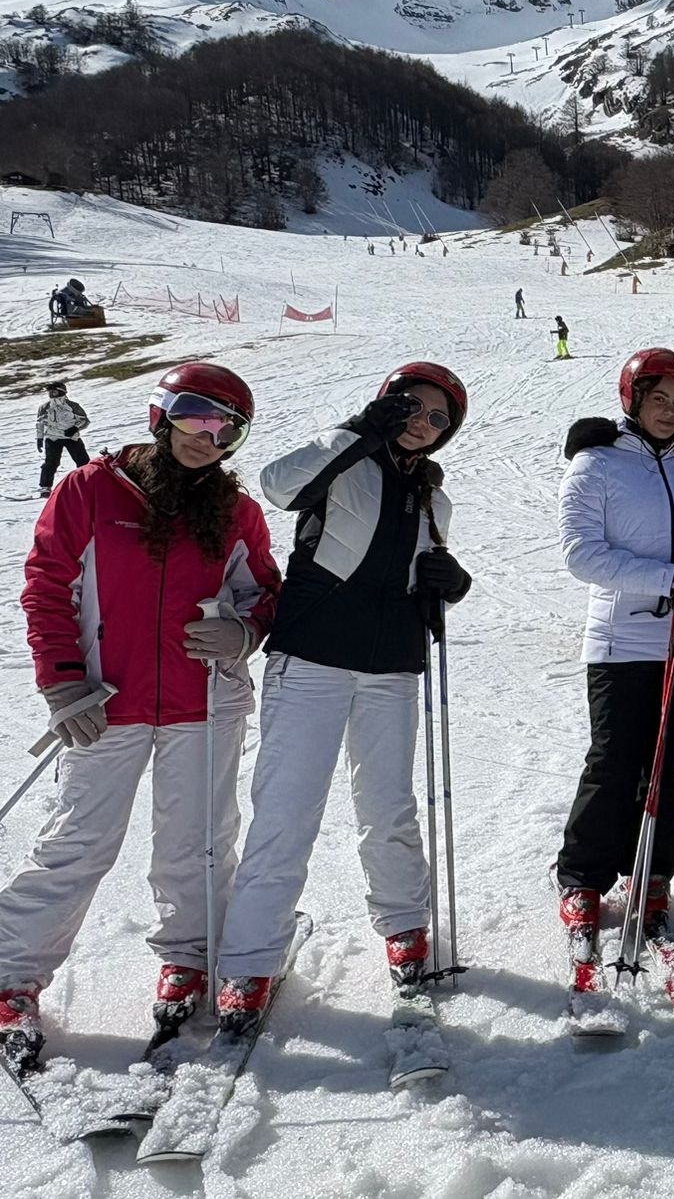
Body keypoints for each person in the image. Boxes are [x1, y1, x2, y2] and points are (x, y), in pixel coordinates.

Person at [0, 365, 279, 1064]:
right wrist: (63, 684)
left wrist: (244, 633)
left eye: (226, 428)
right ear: (162, 415)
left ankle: (188, 955)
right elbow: (45, 585)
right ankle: (10, 975)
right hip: (106, 703)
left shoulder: (235, 511)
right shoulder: (91, 490)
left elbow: (267, 591)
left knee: (198, 842)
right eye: (193, 416)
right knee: (78, 841)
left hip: (203, 704)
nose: (206, 437)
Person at [214, 363, 473, 1031]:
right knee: (286, 811)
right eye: (413, 406)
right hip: (313, 658)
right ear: (389, 402)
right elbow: (276, 485)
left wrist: (446, 584)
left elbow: (420, 580)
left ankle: (405, 926)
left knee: (388, 807)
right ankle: (249, 959)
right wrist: (359, 429)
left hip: (391, 668)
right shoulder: (343, 454)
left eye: (438, 418)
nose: (423, 422)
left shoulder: (434, 500)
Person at [554, 350, 674, 967]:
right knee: (615, 759)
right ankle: (583, 878)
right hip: (623, 643)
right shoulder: (597, 463)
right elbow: (580, 554)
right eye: (660, 399)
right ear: (632, 397)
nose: (670, 411)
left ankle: (651, 872)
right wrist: (660, 578)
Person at [34, 380, 90, 497]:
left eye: (54, 392)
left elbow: (84, 420)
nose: (51, 395)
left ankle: (88, 482)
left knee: (82, 461)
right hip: (52, 438)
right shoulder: (44, 407)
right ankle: (45, 487)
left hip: (71, 438)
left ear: (61, 392)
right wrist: (39, 438)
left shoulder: (73, 406)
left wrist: (75, 428)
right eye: (50, 392)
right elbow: (40, 424)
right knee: (51, 463)